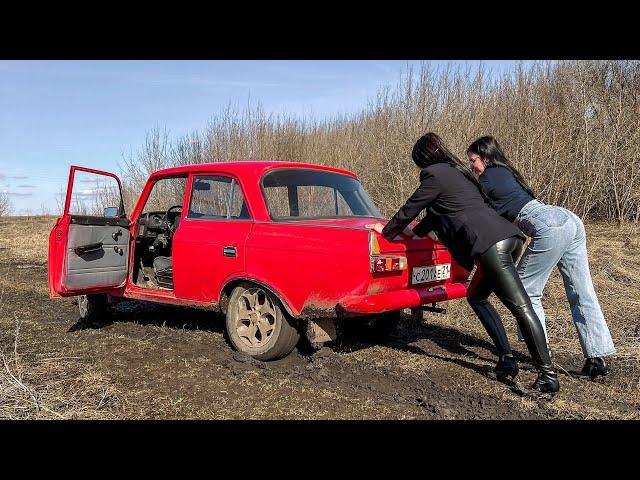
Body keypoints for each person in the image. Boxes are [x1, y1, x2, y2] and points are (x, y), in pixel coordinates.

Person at [368, 132, 559, 393]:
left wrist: (386, 232)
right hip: (509, 239)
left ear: (423, 159)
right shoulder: (458, 173)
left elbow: (411, 206)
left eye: (418, 163)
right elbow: (437, 214)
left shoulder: (433, 174)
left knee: (520, 306)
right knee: (477, 296)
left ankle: (547, 376)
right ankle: (506, 359)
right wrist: (413, 232)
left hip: (492, 246)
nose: (419, 169)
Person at [467, 136, 615, 378]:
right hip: (568, 219)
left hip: (546, 225)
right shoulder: (507, 172)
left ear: (485, 157)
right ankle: (596, 357)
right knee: (581, 290)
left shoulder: (487, 178)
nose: (471, 166)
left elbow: (478, 211)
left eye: (473, 160)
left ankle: (541, 353)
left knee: (525, 292)